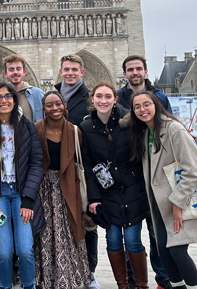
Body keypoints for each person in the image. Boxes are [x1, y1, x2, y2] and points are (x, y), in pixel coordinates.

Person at [126, 92, 197, 289]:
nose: (142, 110)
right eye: (137, 107)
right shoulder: (144, 132)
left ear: (156, 105)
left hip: (177, 201)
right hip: (159, 204)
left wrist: (178, 203)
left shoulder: (174, 129)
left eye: (146, 104)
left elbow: (193, 170)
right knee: (164, 250)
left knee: (177, 251)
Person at [0, 82, 45, 289]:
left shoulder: (27, 126)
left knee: (25, 250)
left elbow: (36, 162)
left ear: (14, 99)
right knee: (3, 252)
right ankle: (4, 286)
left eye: (7, 96)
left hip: (22, 196)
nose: (3, 100)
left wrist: (29, 200)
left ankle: (28, 285)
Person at [80, 82, 149, 289]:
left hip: (132, 189)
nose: (103, 101)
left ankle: (141, 285)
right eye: (99, 97)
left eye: (108, 96)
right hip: (107, 193)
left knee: (132, 240)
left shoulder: (130, 121)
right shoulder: (85, 127)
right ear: (92, 99)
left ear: (115, 99)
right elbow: (88, 167)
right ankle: (122, 285)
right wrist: (93, 199)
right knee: (113, 240)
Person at [116, 55, 174, 289]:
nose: (135, 73)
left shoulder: (160, 97)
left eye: (138, 69)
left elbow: (169, 127)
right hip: (130, 174)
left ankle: (164, 278)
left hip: (155, 175)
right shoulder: (117, 98)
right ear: (125, 74)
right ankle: (132, 279)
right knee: (130, 234)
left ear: (146, 71)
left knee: (156, 233)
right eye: (130, 69)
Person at [33, 91, 91, 288]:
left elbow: (81, 162)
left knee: (69, 232)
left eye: (58, 103)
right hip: (44, 190)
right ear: (44, 109)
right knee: (46, 234)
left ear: (64, 105)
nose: (54, 108)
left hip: (69, 187)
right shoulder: (36, 130)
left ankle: (72, 276)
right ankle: (47, 278)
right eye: (49, 105)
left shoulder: (75, 131)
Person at [53, 54, 99, 289]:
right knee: (60, 223)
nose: (70, 73)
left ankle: (89, 272)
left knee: (86, 222)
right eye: (66, 69)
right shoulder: (52, 97)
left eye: (74, 70)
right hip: (55, 171)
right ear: (60, 71)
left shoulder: (90, 99)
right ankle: (65, 269)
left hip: (81, 171)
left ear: (82, 72)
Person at [2, 54, 44, 122]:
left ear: (24, 72)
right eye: (11, 69)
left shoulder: (38, 94)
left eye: (18, 69)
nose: (15, 72)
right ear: (6, 74)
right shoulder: (0, 97)